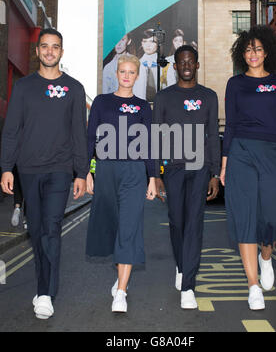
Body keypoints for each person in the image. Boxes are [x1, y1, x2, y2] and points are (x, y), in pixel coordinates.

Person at [0, 28, 89, 320]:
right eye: (45, 46)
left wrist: (81, 172)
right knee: (36, 231)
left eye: (56, 47)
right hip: (28, 169)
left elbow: (79, 134)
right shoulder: (24, 87)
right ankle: (43, 285)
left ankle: (45, 292)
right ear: (38, 51)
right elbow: (11, 130)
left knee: (51, 229)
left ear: (62, 52)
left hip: (60, 171)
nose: (50, 51)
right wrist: (6, 168)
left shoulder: (74, 88)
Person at [220, 25, 276, 311]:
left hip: (272, 152)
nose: (253, 54)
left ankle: (267, 256)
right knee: (245, 216)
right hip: (241, 151)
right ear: (243, 54)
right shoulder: (235, 83)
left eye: (258, 49)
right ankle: (253, 285)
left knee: (272, 217)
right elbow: (229, 125)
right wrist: (225, 162)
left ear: (267, 52)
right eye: (248, 49)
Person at [85, 54, 157, 313]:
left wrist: (152, 177)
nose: (127, 76)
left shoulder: (143, 107)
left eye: (131, 72)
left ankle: (122, 292)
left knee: (129, 227)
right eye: (123, 72)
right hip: (105, 170)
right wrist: (86, 172)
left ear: (137, 76)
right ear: (116, 74)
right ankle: (121, 275)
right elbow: (90, 138)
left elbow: (149, 144)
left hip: (134, 173)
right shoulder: (102, 103)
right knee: (113, 227)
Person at [153, 45, 220, 309]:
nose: (187, 65)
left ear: (198, 65)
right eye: (182, 62)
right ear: (176, 66)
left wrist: (215, 173)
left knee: (194, 224)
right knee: (177, 222)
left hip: (200, 167)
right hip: (173, 169)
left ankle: (189, 286)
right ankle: (182, 266)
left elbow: (213, 135)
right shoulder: (164, 98)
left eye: (191, 61)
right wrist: (156, 173)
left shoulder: (209, 96)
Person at [103, 33, 147, 99]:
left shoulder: (139, 66)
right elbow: (105, 96)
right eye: (115, 40)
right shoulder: (108, 68)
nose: (118, 44)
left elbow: (141, 97)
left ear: (128, 41)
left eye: (122, 40)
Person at [139, 29, 160, 102]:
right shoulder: (137, 64)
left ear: (158, 43)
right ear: (141, 43)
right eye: (145, 41)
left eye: (152, 41)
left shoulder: (165, 64)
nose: (148, 45)